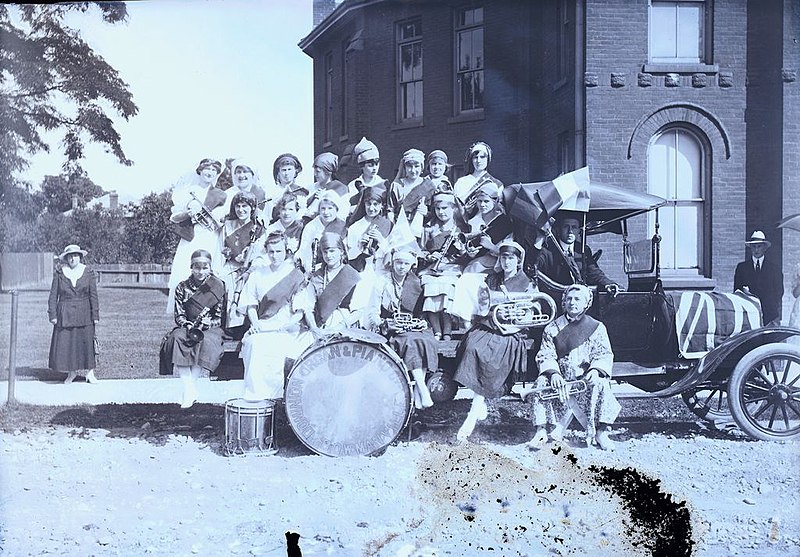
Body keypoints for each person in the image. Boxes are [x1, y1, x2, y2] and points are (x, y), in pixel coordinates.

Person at [453, 241, 536, 441]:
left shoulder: (527, 282)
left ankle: (475, 408)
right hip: (490, 325)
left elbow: (531, 311)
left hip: (511, 331)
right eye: (504, 257)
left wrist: (515, 314)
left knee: (492, 354)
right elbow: (483, 306)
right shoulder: (492, 279)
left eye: (511, 258)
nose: (506, 262)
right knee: (472, 345)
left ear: (518, 261)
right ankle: (479, 400)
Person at [528, 284, 620, 450]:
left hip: (584, 379)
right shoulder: (552, 328)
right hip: (560, 380)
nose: (572, 302)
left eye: (577, 299)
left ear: (586, 303)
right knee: (540, 383)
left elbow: (604, 354)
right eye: (569, 299)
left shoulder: (597, 328)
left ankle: (601, 432)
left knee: (601, 383)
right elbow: (545, 355)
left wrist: (595, 370)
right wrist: (554, 374)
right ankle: (541, 430)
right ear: (564, 302)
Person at [238, 232, 307, 401]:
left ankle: (275, 398)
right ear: (266, 252)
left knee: (278, 351)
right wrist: (255, 324)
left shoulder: (296, 276)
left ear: (286, 251)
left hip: (286, 329)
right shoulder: (257, 275)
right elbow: (250, 304)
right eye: (271, 252)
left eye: (279, 251)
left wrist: (281, 327)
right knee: (255, 345)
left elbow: (299, 312)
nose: (275, 256)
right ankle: (255, 398)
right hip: (262, 326)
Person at [367, 246, 437, 409]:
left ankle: (419, 392)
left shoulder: (415, 282)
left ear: (411, 265)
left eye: (406, 264)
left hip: (411, 325)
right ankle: (421, 390)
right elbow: (372, 312)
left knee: (425, 339)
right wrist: (383, 324)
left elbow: (421, 313)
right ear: (392, 262)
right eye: (398, 262)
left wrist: (421, 323)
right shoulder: (382, 281)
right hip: (390, 327)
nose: (401, 267)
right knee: (410, 341)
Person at [160, 249, 226, 408]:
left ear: (210, 268)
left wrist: (207, 323)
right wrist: (187, 325)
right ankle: (190, 388)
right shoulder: (182, 287)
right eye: (197, 267)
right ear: (191, 267)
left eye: (205, 268)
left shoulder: (217, 286)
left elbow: (219, 318)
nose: (201, 271)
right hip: (188, 325)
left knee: (205, 341)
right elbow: (179, 315)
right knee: (176, 339)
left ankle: (189, 390)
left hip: (210, 327)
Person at [166, 158, 226, 314]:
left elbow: (223, 220)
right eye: (207, 168)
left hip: (211, 238)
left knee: (210, 276)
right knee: (187, 274)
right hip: (191, 239)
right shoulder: (187, 192)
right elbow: (174, 217)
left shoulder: (220, 195)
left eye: (214, 170)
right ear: (200, 170)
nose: (210, 172)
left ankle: (208, 313)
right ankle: (185, 314)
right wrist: (187, 213)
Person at [296, 233, 372, 338]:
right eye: (325, 252)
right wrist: (314, 329)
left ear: (341, 251)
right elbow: (308, 308)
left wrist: (338, 328)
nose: (328, 256)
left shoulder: (352, 275)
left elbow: (358, 311)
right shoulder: (316, 277)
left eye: (332, 251)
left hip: (345, 326)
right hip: (319, 326)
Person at [418, 190, 468, 339]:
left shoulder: (461, 229)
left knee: (447, 286)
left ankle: (447, 329)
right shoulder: (428, 228)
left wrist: (461, 249)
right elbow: (420, 250)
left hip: (452, 268)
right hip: (431, 268)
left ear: (453, 209)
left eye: (445, 208)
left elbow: (466, 257)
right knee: (429, 285)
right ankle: (436, 329)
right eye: (438, 209)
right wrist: (429, 256)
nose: (441, 212)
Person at [48, 244, 100, 384]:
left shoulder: (88, 273)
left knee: (86, 343)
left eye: (75, 256)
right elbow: (53, 296)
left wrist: (95, 315)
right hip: (65, 315)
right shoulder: (60, 274)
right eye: (70, 256)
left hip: (85, 314)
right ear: (66, 258)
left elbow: (93, 295)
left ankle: (90, 373)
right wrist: (52, 314)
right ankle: (72, 373)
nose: (73, 259)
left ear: (80, 257)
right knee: (69, 344)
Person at [536, 211, 621, 294]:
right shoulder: (547, 250)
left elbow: (594, 273)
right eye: (566, 226)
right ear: (558, 229)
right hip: (556, 299)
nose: (570, 231)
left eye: (574, 227)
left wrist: (608, 284)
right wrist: (539, 241)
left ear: (578, 231)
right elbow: (533, 267)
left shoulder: (583, 250)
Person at [220, 191, 265, 331]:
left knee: (249, 286)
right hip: (230, 267)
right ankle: (227, 326)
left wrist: (248, 263)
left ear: (252, 207)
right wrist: (230, 254)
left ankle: (243, 327)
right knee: (225, 283)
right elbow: (221, 249)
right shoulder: (227, 225)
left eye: (244, 206)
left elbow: (260, 255)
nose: (241, 210)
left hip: (251, 268)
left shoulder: (258, 227)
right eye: (237, 206)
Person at [733, 230, 784, 327]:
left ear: (764, 248)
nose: (756, 250)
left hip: (769, 316)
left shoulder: (774, 269)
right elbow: (737, 291)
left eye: (759, 246)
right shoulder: (742, 268)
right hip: (748, 315)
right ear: (750, 248)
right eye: (754, 246)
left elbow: (779, 292)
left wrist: (769, 307)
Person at [387, 148, 436, 239]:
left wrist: (426, 212)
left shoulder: (428, 186)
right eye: (409, 166)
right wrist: (396, 228)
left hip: (421, 232)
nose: (413, 170)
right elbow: (390, 210)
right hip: (399, 231)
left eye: (416, 166)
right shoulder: (396, 186)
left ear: (422, 167)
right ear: (405, 167)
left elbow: (435, 213)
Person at [296, 191, 348, 274]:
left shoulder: (342, 226)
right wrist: (311, 270)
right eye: (323, 208)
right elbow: (304, 251)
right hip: (316, 268)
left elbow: (345, 251)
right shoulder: (311, 227)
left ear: (336, 209)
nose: (326, 212)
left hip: (337, 267)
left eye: (330, 208)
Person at [345, 183, 393, 272]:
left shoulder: (389, 225)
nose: (371, 208)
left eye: (375, 204)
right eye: (368, 204)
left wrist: (381, 240)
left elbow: (392, 254)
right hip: (360, 271)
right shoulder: (355, 227)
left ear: (382, 205)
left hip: (381, 271)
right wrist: (359, 245)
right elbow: (349, 257)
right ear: (364, 204)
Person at [452, 141, 503, 220]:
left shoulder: (497, 184)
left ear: (488, 159)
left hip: (487, 225)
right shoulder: (461, 182)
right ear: (471, 160)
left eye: (482, 157)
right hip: (464, 225)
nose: (478, 161)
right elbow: (455, 208)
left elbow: (498, 210)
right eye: (475, 157)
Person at [305, 152, 349, 220]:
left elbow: (343, 213)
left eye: (318, 171)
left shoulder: (341, 189)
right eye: (314, 171)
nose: (315, 174)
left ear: (328, 172)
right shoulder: (310, 188)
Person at [346, 137, 383, 204]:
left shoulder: (382, 184)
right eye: (370, 165)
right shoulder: (353, 185)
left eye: (376, 164)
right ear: (361, 166)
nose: (374, 168)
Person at [272, 153, 307, 221]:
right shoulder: (272, 192)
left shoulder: (303, 192)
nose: (286, 173)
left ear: (295, 171)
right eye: (284, 170)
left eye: (289, 169)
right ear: (278, 172)